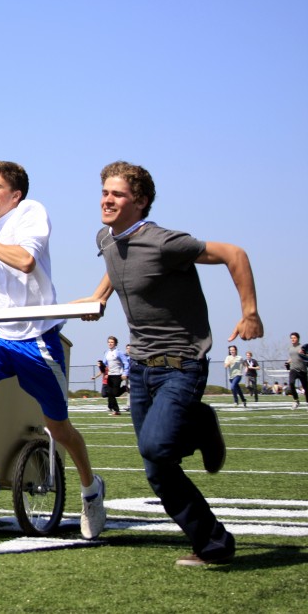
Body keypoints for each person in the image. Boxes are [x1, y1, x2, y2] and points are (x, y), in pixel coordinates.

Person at [76, 160, 263, 566]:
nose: (107, 199)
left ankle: (199, 422)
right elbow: (114, 264)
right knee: (157, 469)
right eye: (105, 192)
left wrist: (249, 313)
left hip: (182, 363)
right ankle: (213, 543)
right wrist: (99, 296)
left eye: (118, 194)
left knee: (156, 446)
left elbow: (235, 253)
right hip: (140, 367)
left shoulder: (164, 241)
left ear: (140, 202)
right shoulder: (105, 237)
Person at [0, 160, 106, 540]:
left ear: (15, 194)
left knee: (58, 429)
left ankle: (90, 488)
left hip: (37, 340)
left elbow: (26, 262)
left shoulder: (30, 213)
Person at [104, 336, 125, 416]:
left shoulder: (119, 352)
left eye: (112, 342)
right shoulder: (107, 352)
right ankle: (116, 410)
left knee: (115, 393)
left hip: (117, 374)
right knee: (110, 393)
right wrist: (105, 373)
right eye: (109, 342)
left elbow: (125, 363)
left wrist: (125, 373)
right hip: (110, 375)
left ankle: (124, 388)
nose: (110, 343)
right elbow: (105, 363)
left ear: (115, 343)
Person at [287, 333, 305, 410]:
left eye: (294, 338)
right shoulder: (290, 348)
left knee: (306, 388)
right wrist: (288, 362)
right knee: (291, 383)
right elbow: (292, 358)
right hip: (293, 369)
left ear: (298, 338)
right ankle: (296, 400)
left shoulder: (302, 347)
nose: (292, 339)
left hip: (302, 370)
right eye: (291, 338)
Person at [121, 343, 132, 412]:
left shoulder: (134, 356)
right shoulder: (124, 356)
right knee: (128, 390)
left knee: (131, 390)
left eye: (129, 348)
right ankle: (129, 405)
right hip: (127, 375)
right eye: (127, 348)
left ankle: (129, 405)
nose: (128, 350)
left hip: (133, 375)